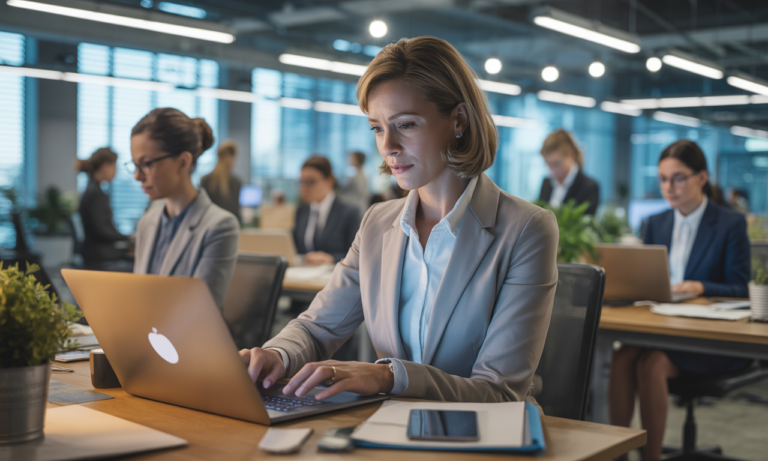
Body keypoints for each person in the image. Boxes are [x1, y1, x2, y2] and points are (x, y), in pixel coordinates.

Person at [239, 36, 558, 404]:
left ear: (459, 120)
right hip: (390, 429)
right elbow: (317, 327)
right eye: (377, 127)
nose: (388, 145)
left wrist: (390, 376)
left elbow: (499, 392)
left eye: (405, 125)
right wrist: (276, 355)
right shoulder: (377, 223)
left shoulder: (526, 229)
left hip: (482, 439)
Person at [609, 139, 751, 461]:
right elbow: (648, 280)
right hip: (661, 324)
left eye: (678, 177)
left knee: (651, 363)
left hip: (706, 337)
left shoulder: (730, 223)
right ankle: (615, 455)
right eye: (662, 178)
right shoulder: (655, 223)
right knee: (621, 358)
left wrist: (699, 286)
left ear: (702, 177)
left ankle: (652, 457)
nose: (668, 187)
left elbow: (742, 288)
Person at [129, 108, 239, 309]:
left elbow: (199, 313)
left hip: (189, 339)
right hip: (144, 335)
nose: (138, 176)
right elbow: (139, 298)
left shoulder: (219, 226)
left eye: (146, 164)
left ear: (183, 162)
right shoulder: (148, 221)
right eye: (135, 165)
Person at [292, 155, 360, 265]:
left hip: (334, 277)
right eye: (302, 182)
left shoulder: (348, 213)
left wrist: (331, 258)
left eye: (310, 182)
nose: (304, 187)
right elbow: (296, 249)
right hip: (303, 277)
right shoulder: (302, 211)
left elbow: (357, 256)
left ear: (330, 180)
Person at [75, 147, 129, 268]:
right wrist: (128, 237)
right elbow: (101, 231)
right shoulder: (95, 193)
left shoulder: (92, 189)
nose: (116, 171)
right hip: (99, 255)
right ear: (105, 166)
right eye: (115, 167)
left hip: (95, 253)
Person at [538, 129, 600, 215]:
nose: (551, 170)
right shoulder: (547, 183)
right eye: (547, 164)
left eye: (556, 164)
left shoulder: (589, 187)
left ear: (570, 155)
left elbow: (586, 224)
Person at [200, 140, 243, 224]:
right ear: (231, 157)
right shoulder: (236, 182)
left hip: (208, 226)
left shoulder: (205, 179)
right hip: (229, 226)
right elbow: (236, 212)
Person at [339, 151, 371, 217]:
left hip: (355, 209)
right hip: (359, 208)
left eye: (352, 158)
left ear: (357, 160)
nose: (349, 160)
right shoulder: (362, 175)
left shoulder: (357, 178)